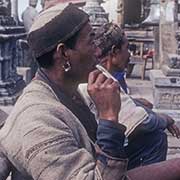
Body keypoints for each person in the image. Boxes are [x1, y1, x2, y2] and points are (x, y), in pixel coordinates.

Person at [0, 3, 180, 180]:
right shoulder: (37, 119)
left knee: (154, 141)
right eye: (90, 41)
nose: (99, 50)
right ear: (63, 53)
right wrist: (109, 117)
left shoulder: (67, 92)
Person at [78, 22, 180, 170]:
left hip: (97, 145)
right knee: (156, 137)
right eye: (126, 49)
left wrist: (134, 102)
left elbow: (123, 104)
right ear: (114, 52)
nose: (129, 54)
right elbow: (142, 123)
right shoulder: (102, 80)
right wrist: (166, 119)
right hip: (100, 155)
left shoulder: (101, 74)